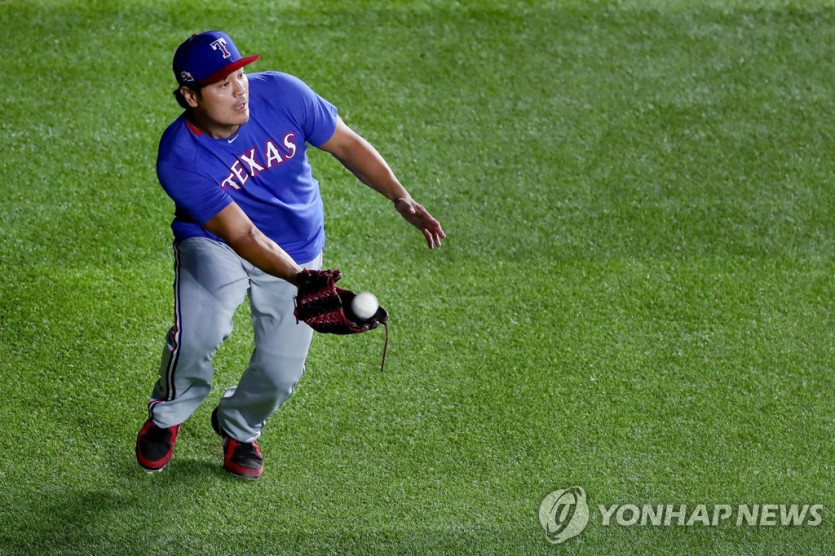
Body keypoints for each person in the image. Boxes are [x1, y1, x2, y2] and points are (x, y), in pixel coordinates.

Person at [135, 30, 445, 479]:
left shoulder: (282, 93)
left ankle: (237, 425)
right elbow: (241, 234)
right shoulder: (179, 157)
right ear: (190, 96)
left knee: (281, 369)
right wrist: (304, 281)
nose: (239, 88)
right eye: (222, 84)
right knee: (202, 332)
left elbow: (346, 143)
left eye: (239, 73)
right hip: (217, 244)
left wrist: (401, 197)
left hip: (298, 248)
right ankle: (166, 418)